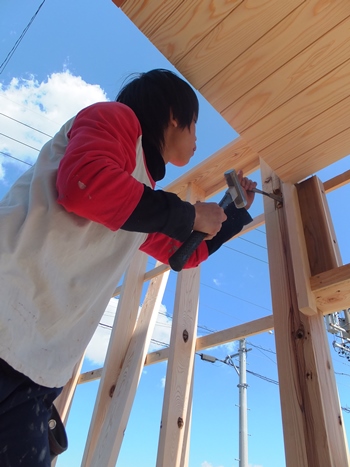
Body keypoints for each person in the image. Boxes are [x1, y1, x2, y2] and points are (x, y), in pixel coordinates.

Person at [0, 69, 256, 466]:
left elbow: (183, 253)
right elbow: (84, 184)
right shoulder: (116, 120)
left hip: (38, 371)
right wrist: (188, 215)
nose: (196, 139)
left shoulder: (140, 201)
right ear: (174, 115)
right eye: (194, 126)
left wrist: (232, 213)